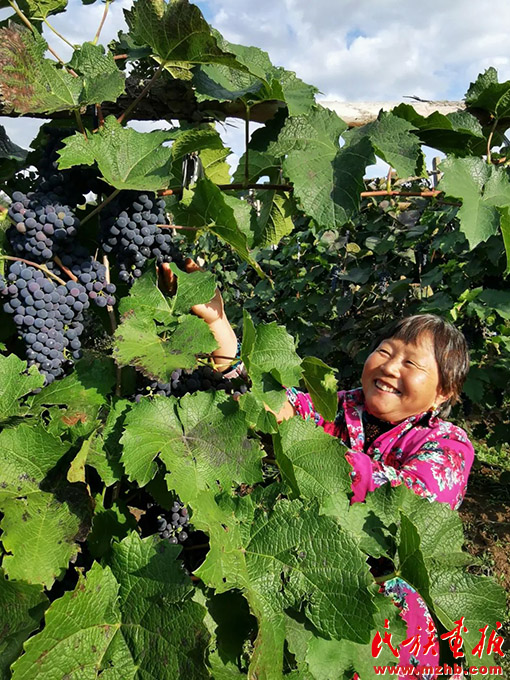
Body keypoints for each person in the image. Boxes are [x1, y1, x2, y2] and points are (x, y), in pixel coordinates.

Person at [161, 261, 475, 675]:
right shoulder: (336, 404)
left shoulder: (448, 445)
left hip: (386, 599)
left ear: (443, 392)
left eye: (412, 364)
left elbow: (405, 497)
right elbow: (268, 401)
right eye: (385, 350)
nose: (390, 366)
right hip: (309, 564)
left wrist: (311, 451)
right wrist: (221, 331)